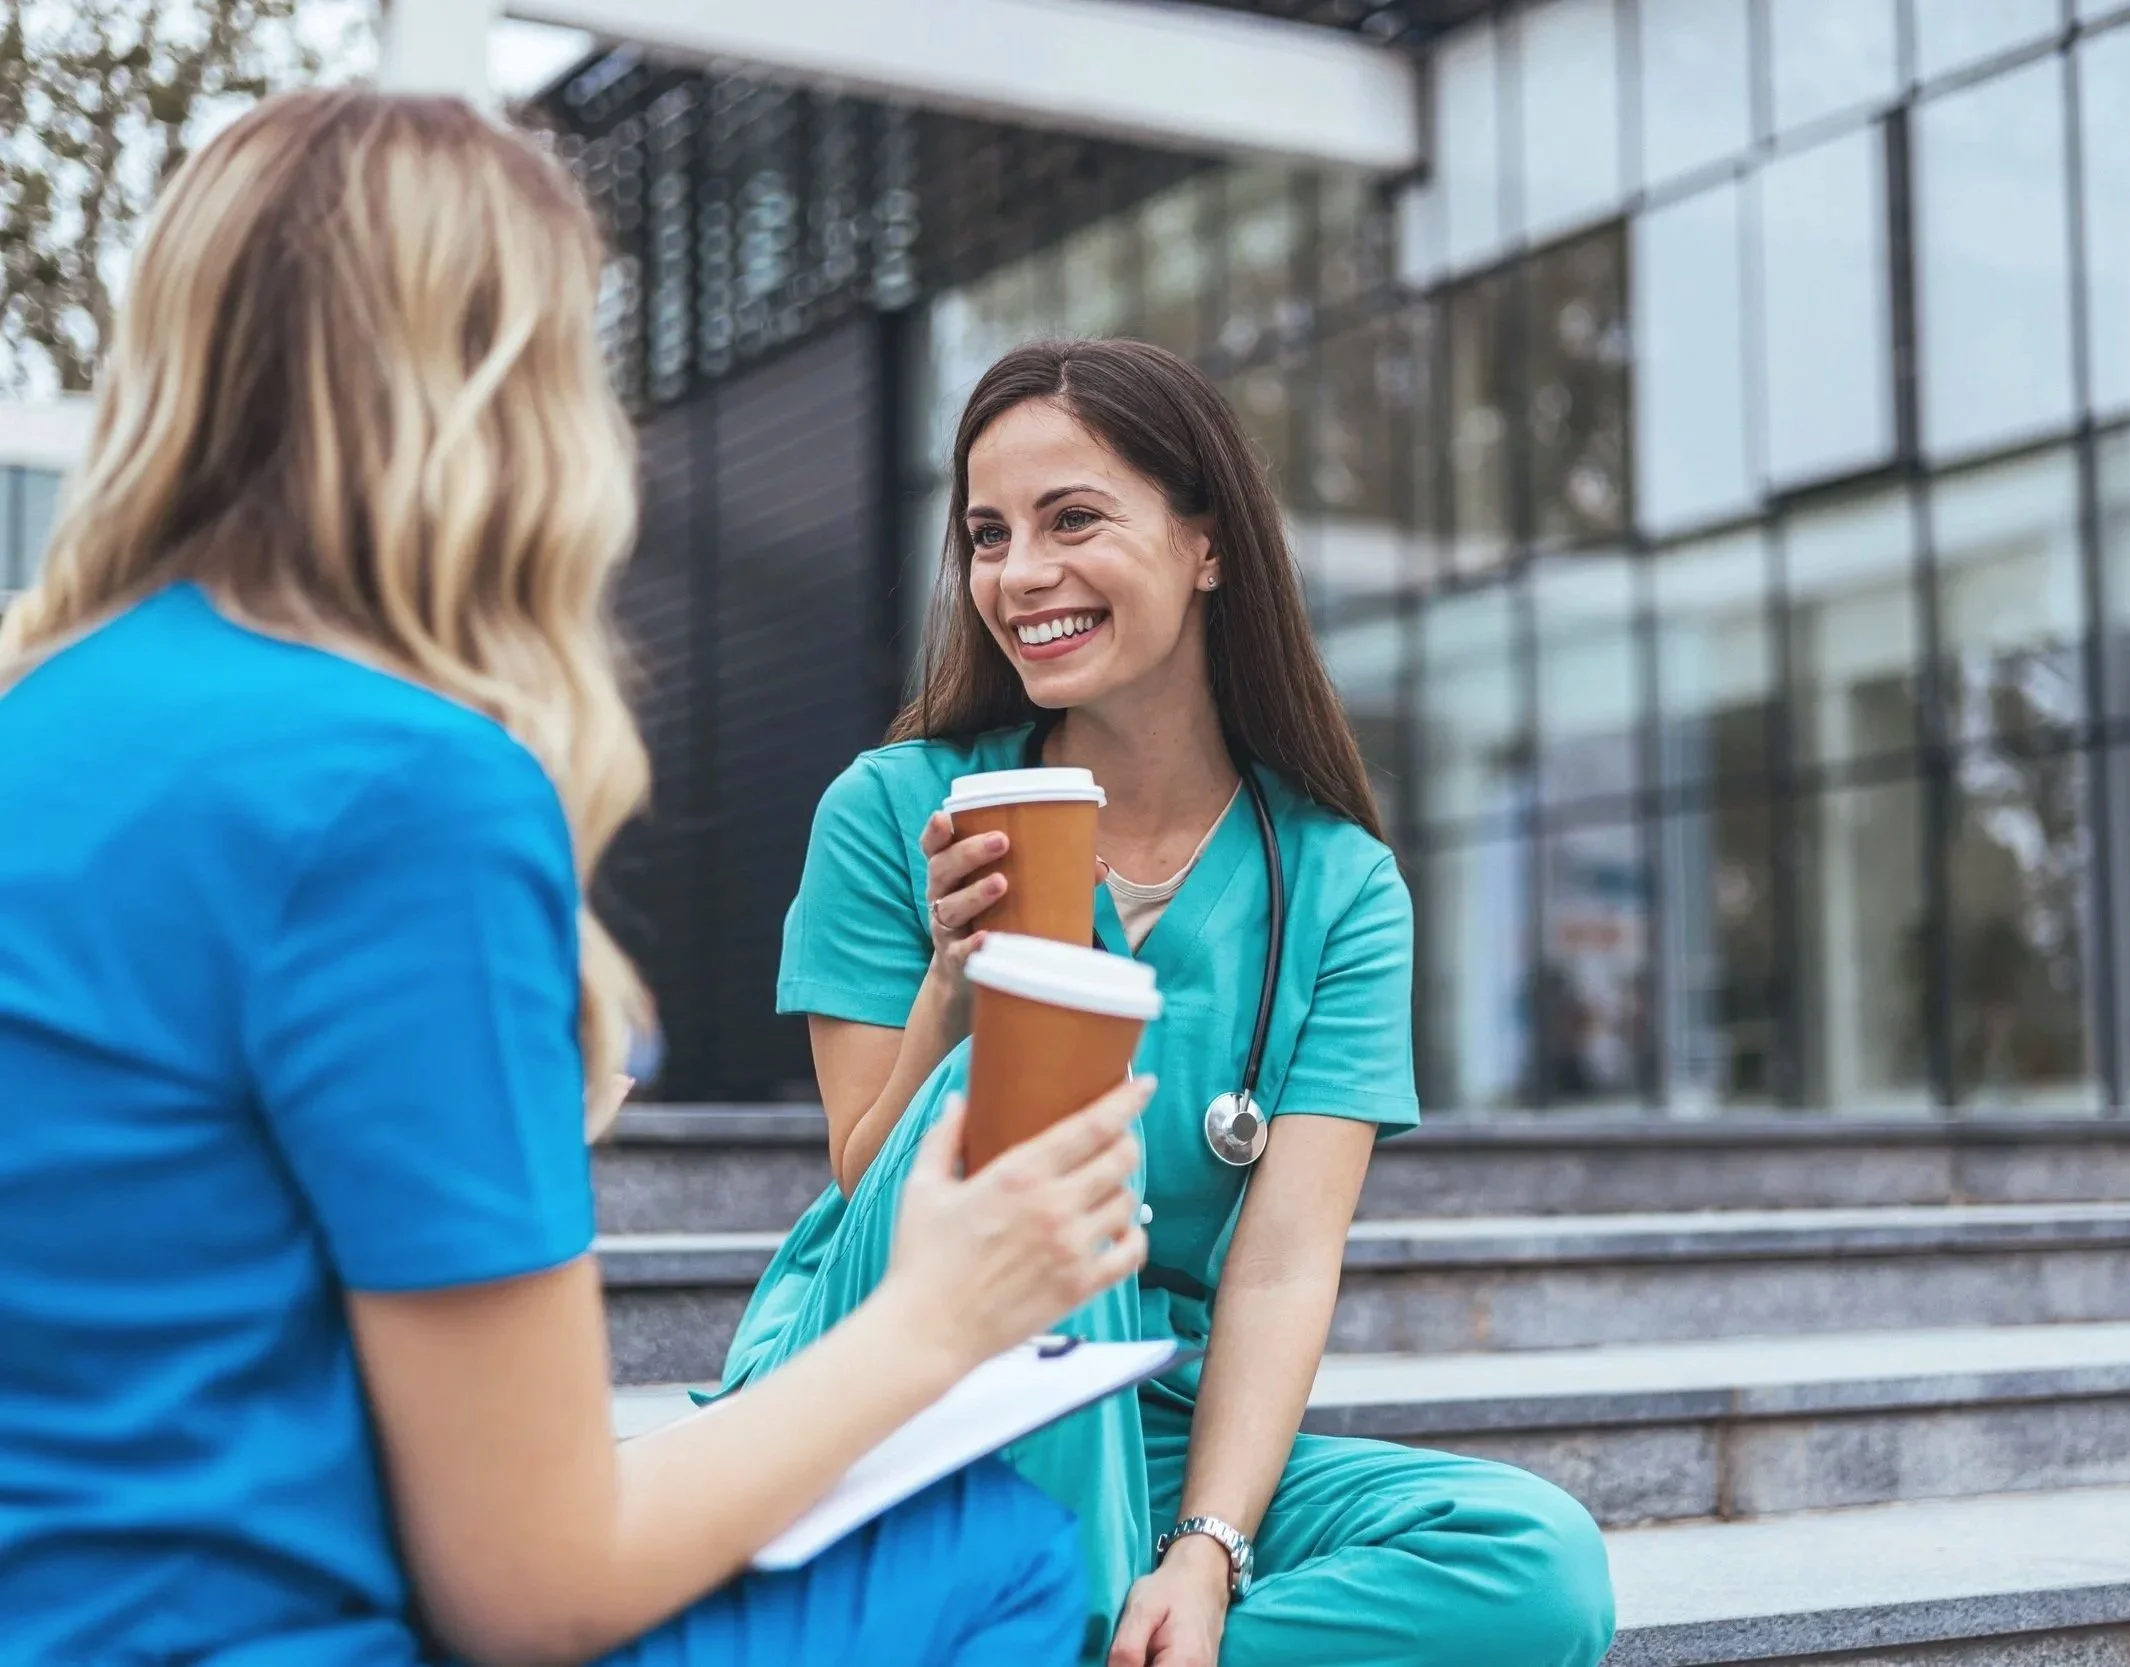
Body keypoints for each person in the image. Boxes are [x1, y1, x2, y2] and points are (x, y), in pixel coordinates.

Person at [0, 89, 1147, 1667]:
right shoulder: (399, 792)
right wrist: (944, 1309)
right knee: (1003, 1549)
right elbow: (531, 1588)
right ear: (499, 406)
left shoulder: (38, 714)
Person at [717, 339, 1616, 1667]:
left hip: (1144, 1409)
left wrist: (1205, 1547)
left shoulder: (1339, 886)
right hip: (886, 1365)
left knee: (1536, 1570)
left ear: (1206, 544)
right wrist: (954, 999)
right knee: (1022, 1101)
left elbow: (1281, 1265)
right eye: (988, 533)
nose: (1022, 575)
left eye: (1073, 519)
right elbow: (866, 1171)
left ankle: (1051, 1630)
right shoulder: (896, 810)